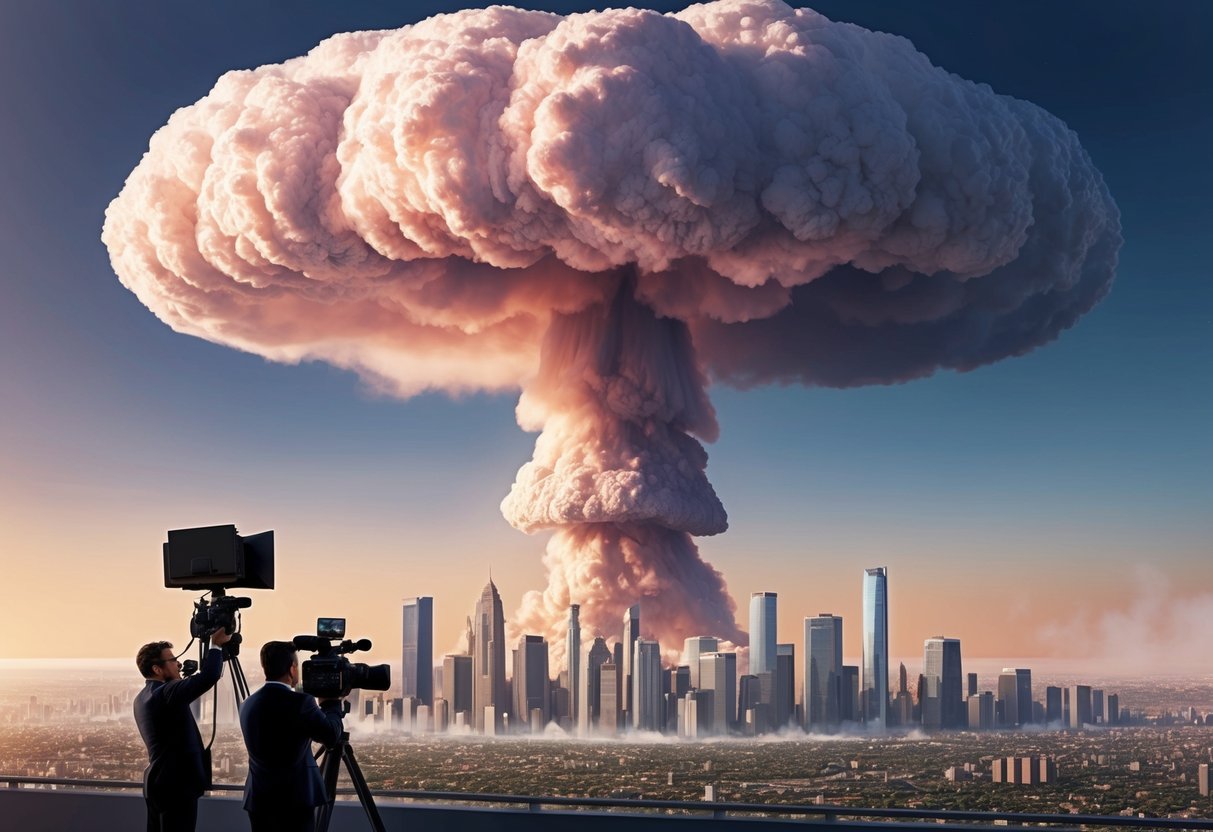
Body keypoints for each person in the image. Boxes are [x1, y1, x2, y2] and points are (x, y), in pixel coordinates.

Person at [133, 627, 232, 832]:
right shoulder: (167, 693)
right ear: (157, 669)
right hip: (176, 786)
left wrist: (180, 681)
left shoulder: (142, 697)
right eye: (172, 660)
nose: (178, 663)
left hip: (156, 784)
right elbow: (209, 676)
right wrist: (215, 645)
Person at [240, 641, 344, 832]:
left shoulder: (247, 704)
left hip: (259, 800)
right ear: (292, 669)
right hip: (294, 801)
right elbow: (331, 735)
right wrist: (332, 705)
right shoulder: (301, 702)